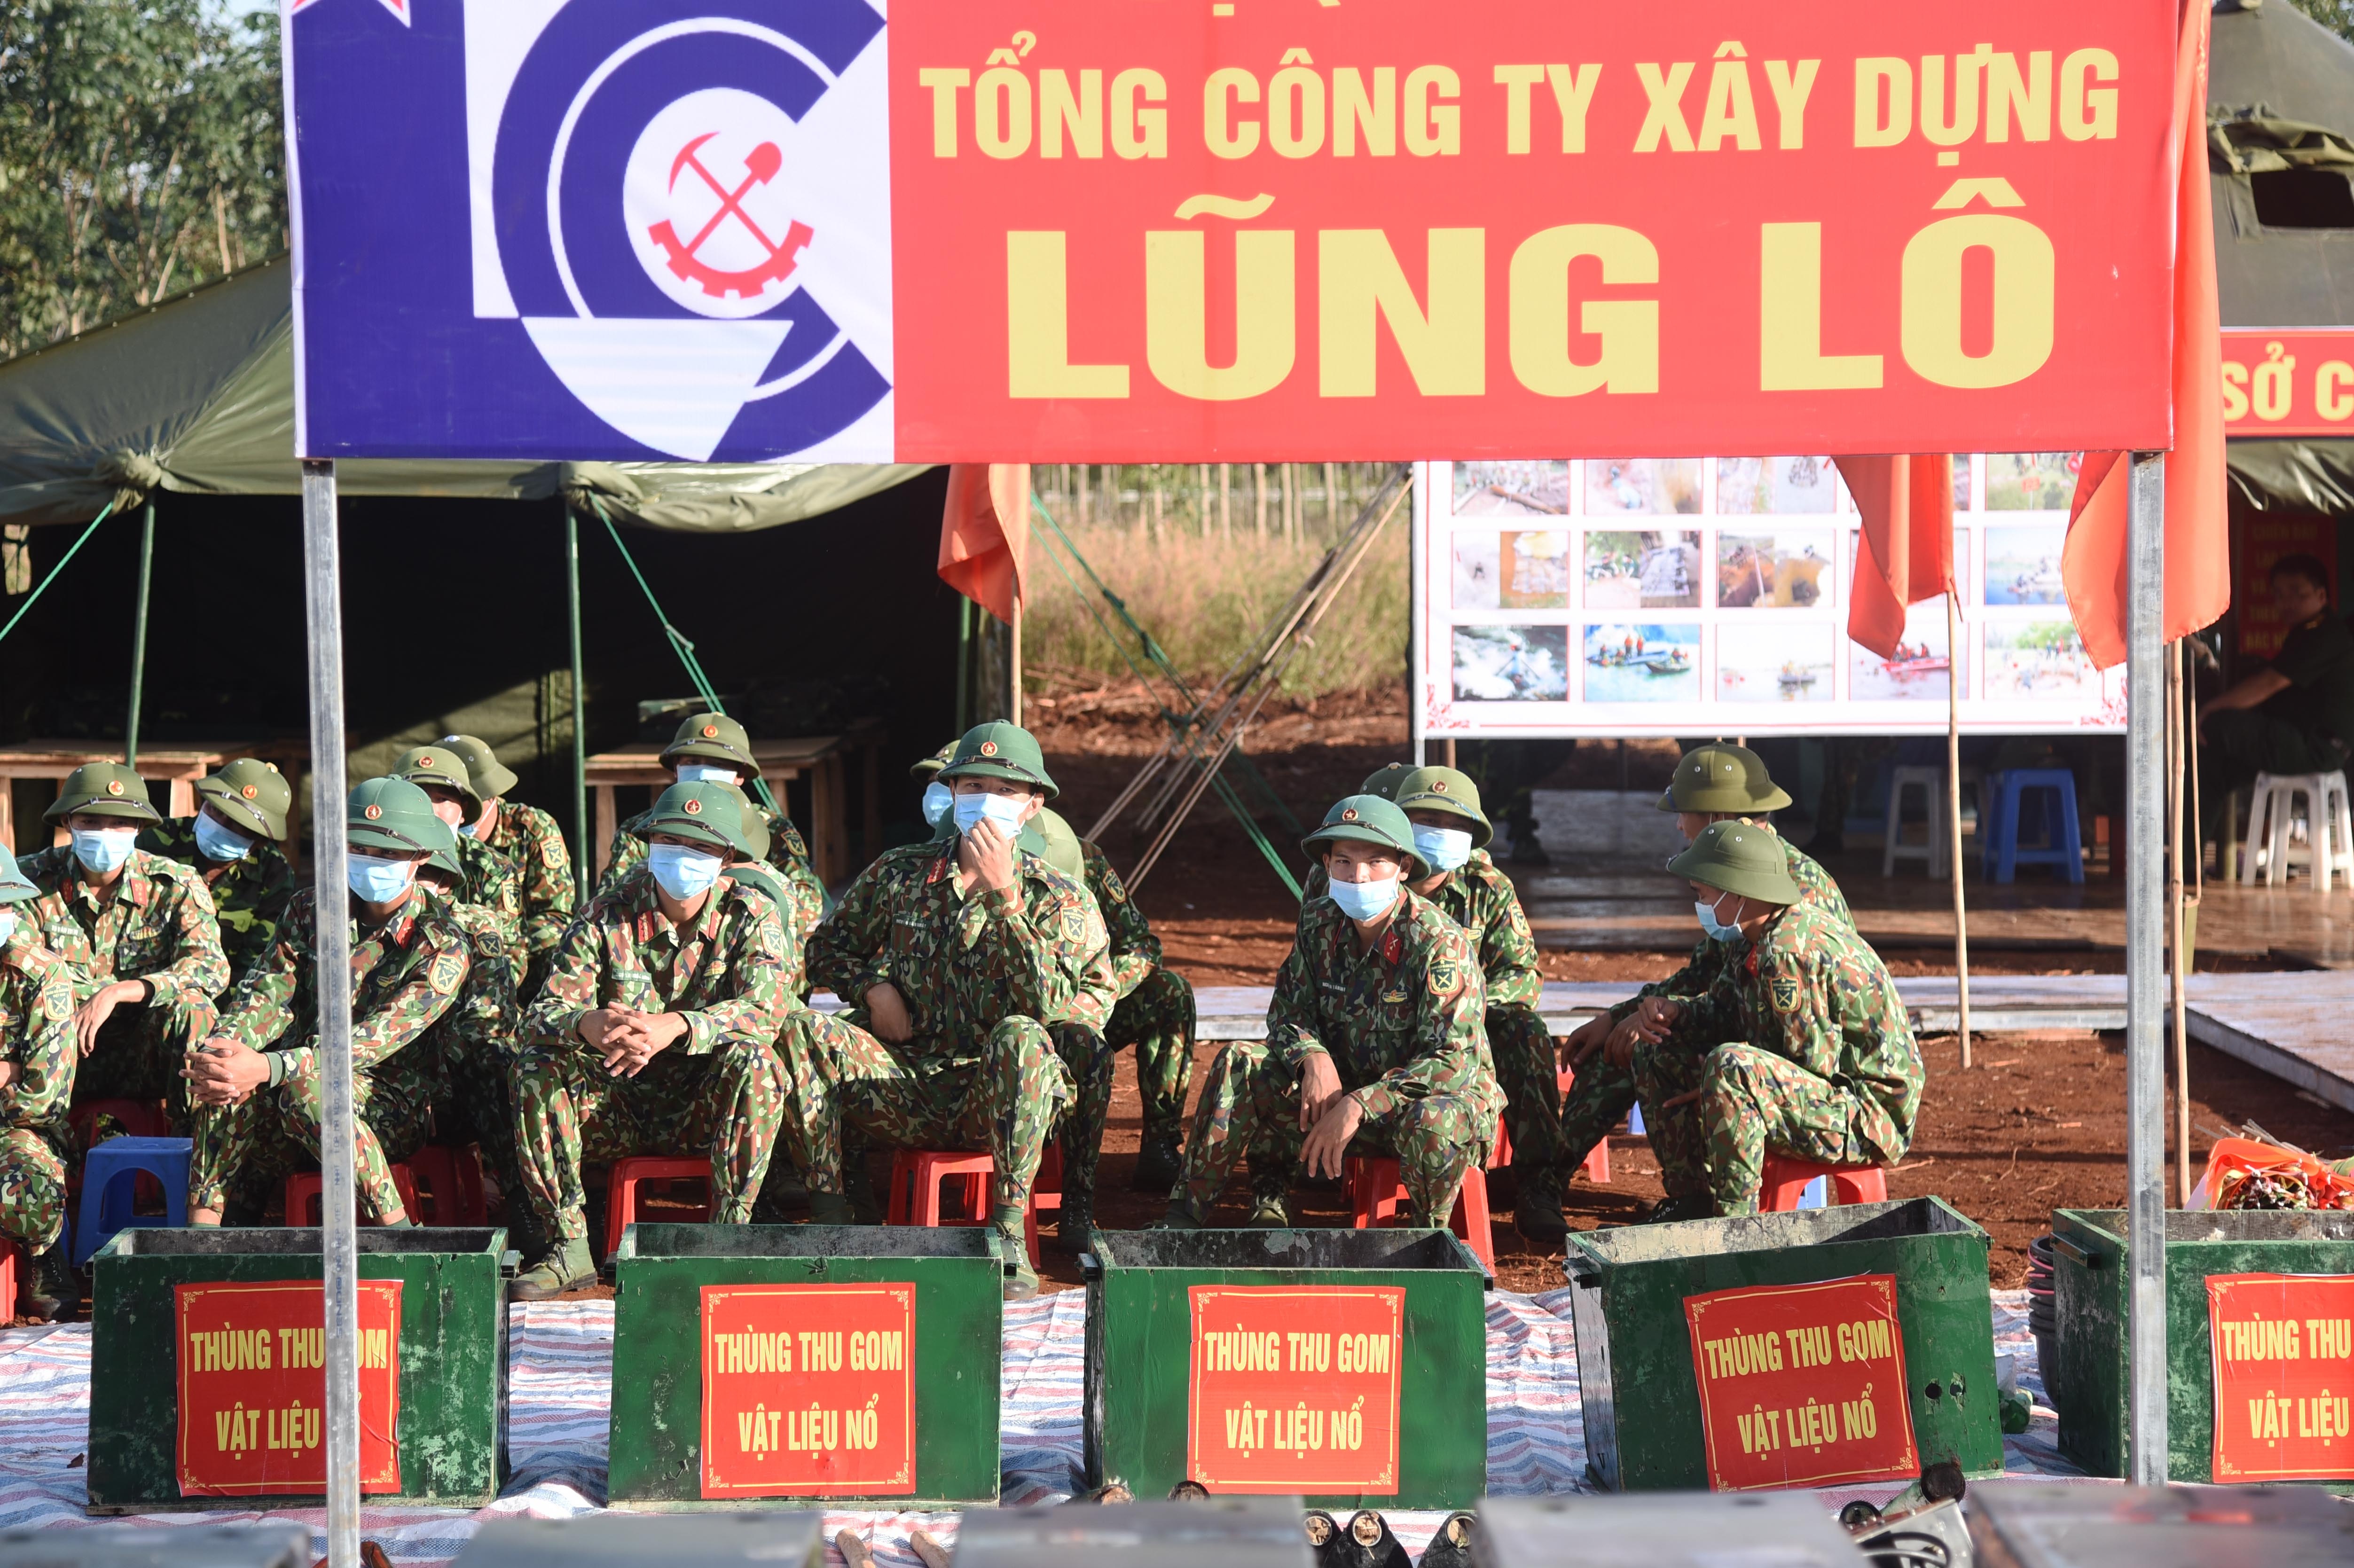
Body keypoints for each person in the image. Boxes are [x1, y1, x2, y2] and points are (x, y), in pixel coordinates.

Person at [787, 722, 1114, 1300]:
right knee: (800, 1030)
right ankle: (837, 1212)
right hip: (905, 1079)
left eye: (1004, 790)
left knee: (1022, 1035)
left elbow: (1056, 1010)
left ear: (1034, 805)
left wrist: (1006, 901)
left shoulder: (1059, 897)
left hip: (1001, 1097)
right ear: (952, 794)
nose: (985, 800)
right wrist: (871, 989)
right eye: (971, 786)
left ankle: (1008, 1230)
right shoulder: (900, 873)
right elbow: (824, 951)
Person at [1155, 795, 1501, 1231]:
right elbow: (1287, 1013)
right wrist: (1313, 1057)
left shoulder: (1437, 943)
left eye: (1375, 862)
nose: (1358, 877)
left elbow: (1452, 1061)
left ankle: (1428, 1240)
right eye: (1343, 862)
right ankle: (1182, 1220)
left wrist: (1361, 1103)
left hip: (1421, 1106)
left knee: (1433, 1120)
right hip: (1340, 1094)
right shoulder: (1318, 922)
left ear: (1404, 868)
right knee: (1240, 1062)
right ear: (1327, 865)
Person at [510, 782, 796, 1299]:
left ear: (726, 857)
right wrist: (587, 1023)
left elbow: (766, 1010)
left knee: (758, 1062)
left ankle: (728, 1237)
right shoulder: (607, 913)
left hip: (704, 1109)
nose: (683, 856)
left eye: (701, 846)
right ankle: (569, 1245)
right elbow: (539, 1015)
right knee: (536, 1066)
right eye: (670, 841)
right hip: (614, 1104)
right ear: (649, 843)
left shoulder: (751, 915)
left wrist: (676, 1026)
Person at [1557, 745, 1849, 1222]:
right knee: (1638, 1036)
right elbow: (1703, 975)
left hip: (1793, 1065)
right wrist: (1621, 1015)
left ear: (1717, 813)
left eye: (1683, 812)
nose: (1678, 824)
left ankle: (1711, 1215)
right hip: (1744, 1033)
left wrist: (1725, 1079)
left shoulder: (1796, 889)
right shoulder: (1731, 869)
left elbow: (1809, 1039)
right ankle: (1557, 1178)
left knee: (1649, 1043)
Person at [183, 778, 471, 1227]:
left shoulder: (441, 944)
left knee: (308, 1089)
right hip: (289, 1083)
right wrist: (225, 1050)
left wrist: (270, 1067)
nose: (371, 862)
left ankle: (397, 1233)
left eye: (389, 853)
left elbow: (368, 1046)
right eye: (361, 848)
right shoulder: (311, 910)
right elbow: (267, 995)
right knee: (226, 1071)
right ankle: (201, 1238)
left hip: (390, 1100)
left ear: (422, 857)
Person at [1622, 821, 1920, 1215]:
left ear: (1737, 891)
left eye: (1703, 892)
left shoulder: (1788, 953)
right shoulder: (1755, 937)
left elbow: (1814, 1067)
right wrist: (1674, 1012)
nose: (1698, 902)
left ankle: (1734, 1228)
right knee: (1660, 1048)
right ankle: (1691, 1202)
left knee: (1732, 1069)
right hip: (1823, 1098)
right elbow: (1723, 1012)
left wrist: (1726, 1091)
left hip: (1866, 1116)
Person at [1383, 767, 1563, 1240]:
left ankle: (1537, 1185)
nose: (1439, 833)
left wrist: (1466, 1007)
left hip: (1466, 1038)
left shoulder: (1487, 887)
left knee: (1527, 1033)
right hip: (1380, 1030)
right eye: (1425, 819)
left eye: (1453, 824)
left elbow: (1523, 978)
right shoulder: (1369, 879)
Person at [20, 763, 227, 1121]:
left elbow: (210, 969)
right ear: (68, 822)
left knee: (195, 1010)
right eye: (91, 821)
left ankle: (195, 1154)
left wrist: (120, 992)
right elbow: (19, 976)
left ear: (139, 827)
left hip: (144, 1055)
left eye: (119, 823)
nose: (105, 832)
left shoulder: (175, 885)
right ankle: (40, 1147)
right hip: (54, 1052)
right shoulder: (30, 883)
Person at [597, 712, 824, 945]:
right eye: (692, 762)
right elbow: (611, 896)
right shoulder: (646, 826)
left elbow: (809, 900)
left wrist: (748, 893)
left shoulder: (770, 826)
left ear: (740, 774)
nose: (703, 771)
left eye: (717, 764)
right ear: (676, 768)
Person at [414, 841, 527, 1251]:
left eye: (421, 873)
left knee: (498, 1061)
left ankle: (523, 1207)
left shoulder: (475, 926)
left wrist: (429, 1066)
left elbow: (489, 1018)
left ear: (445, 884)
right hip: (372, 1084)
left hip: (448, 1088)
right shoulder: (344, 921)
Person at [2200, 553, 2354, 844]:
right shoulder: (2306, 633)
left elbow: (2270, 682)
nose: (2287, 603)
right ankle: (2187, 867)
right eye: (2280, 595)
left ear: (2321, 595)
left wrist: (2210, 709)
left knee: (2216, 725)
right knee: (2213, 768)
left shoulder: (2324, 634)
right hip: (2298, 740)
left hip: (2317, 747)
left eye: (2298, 593)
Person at [0, 847, 83, 1320]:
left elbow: (43, 1096)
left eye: (7, 905)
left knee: (28, 1183)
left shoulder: (41, 973)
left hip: (14, 1128)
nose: (3, 916)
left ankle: (44, 1256)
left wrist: (16, 1073)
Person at [434, 734, 576, 997]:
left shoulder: (531, 829)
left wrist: (495, 952)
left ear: (490, 796)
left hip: (518, 957)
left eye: (446, 799)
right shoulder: (423, 838)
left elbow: (556, 916)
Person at [136, 758, 297, 985]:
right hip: (138, 984)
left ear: (259, 841)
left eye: (234, 822)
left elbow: (256, 964)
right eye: (214, 808)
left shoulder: (274, 874)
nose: (219, 822)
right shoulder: (153, 840)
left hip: (218, 996)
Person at [389, 747, 526, 963]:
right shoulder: (374, 860)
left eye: (443, 799)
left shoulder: (492, 867)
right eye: (418, 797)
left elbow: (510, 953)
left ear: (464, 809)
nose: (431, 810)